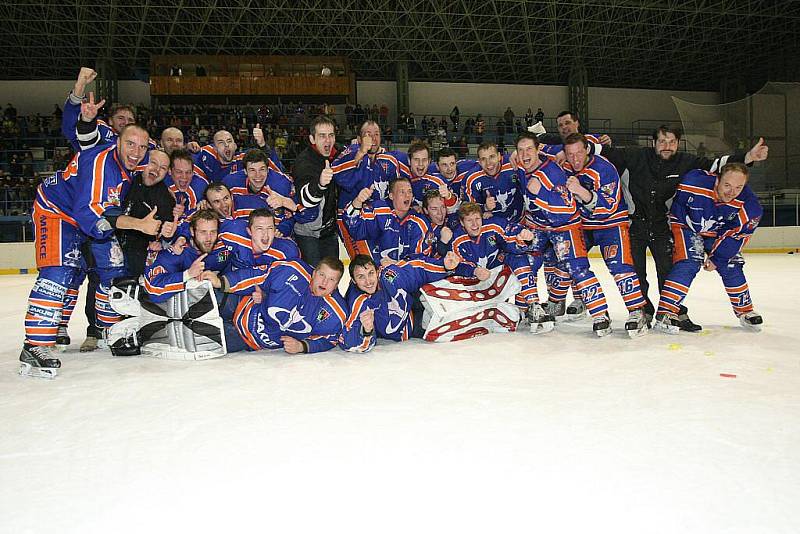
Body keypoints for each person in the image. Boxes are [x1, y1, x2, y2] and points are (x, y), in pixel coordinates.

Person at [600, 125, 768, 329]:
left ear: (678, 143)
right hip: (648, 224)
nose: (666, 146)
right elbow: (602, 154)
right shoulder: (640, 157)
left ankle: (733, 310)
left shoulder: (689, 166)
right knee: (651, 269)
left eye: (671, 142)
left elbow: (720, 166)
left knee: (717, 265)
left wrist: (748, 156)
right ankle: (646, 311)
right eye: (662, 141)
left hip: (674, 227)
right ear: (654, 142)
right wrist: (587, 144)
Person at [19, 125, 152, 378]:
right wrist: (138, 224)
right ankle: (34, 345)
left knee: (113, 269)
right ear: (118, 143)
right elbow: (88, 213)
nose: (137, 152)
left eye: (142, 146)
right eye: (131, 144)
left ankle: (107, 329)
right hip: (57, 210)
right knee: (60, 271)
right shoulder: (102, 165)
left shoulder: (136, 159)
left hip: (91, 216)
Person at [515, 132, 613, 336]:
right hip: (539, 225)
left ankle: (601, 315)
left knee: (577, 268)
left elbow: (566, 209)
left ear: (537, 150)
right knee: (526, 263)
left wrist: (540, 194)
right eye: (520, 150)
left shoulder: (551, 172)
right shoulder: (523, 168)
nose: (525, 154)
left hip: (565, 226)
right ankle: (524, 310)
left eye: (529, 149)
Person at [653, 163, 763, 333]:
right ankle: (666, 313)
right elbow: (677, 204)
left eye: (738, 187)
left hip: (718, 232)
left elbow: (737, 236)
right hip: (686, 226)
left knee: (732, 263)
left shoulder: (750, 205)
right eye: (727, 185)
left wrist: (717, 258)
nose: (731, 192)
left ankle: (745, 311)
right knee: (689, 262)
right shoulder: (694, 181)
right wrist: (686, 224)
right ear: (717, 179)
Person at [562, 133, 648, 336]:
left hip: (611, 224)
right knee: (576, 267)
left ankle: (637, 311)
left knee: (620, 267)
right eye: (569, 154)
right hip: (583, 225)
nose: (575, 159)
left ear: (587, 150)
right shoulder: (563, 166)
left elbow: (608, 206)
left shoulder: (604, 168)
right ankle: (599, 312)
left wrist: (581, 191)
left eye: (579, 153)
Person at [205, 257, 348, 354]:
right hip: (243, 304)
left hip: (247, 338)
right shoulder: (292, 270)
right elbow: (258, 276)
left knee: (200, 338)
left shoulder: (336, 313)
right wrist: (222, 282)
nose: (324, 282)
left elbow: (330, 339)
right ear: (314, 273)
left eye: (331, 280)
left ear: (336, 285)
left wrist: (302, 346)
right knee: (206, 299)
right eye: (322, 275)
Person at [339, 252, 459, 352]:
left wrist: (443, 266)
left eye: (370, 273)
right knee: (448, 323)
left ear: (377, 271)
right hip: (410, 326)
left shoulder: (389, 275)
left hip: (413, 300)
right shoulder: (358, 302)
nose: (368, 281)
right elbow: (347, 340)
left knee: (443, 292)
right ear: (354, 281)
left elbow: (417, 270)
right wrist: (367, 330)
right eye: (361, 277)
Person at [292, 114, 340, 266]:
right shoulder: (304, 162)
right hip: (307, 233)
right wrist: (320, 184)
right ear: (312, 139)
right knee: (313, 277)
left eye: (331, 135)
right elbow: (305, 200)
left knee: (332, 278)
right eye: (322, 136)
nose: (328, 140)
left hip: (329, 230)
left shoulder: (336, 156)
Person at [462, 141, 523, 223]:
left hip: (519, 219)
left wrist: (519, 151)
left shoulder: (513, 163)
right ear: (479, 161)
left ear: (499, 156)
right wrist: (485, 208)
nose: (488, 163)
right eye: (483, 159)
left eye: (492, 156)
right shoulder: (472, 179)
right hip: (492, 224)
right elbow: (467, 210)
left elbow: (535, 150)